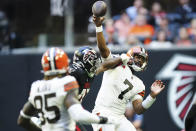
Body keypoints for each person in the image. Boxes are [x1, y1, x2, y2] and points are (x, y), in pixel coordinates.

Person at [92, 16, 165, 131]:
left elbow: (138, 109)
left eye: (142, 60)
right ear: (130, 54)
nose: (140, 61)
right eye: (138, 57)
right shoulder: (118, 62)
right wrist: (98, 27)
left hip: (120, 117)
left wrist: (152, 96)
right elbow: (103, 51)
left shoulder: (139, 84)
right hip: (103, 111)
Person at [17, 47, 112, 131]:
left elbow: (22, 120)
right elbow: (78, 115)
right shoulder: (67, 82)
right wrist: (105, 120)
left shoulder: (36, 87)